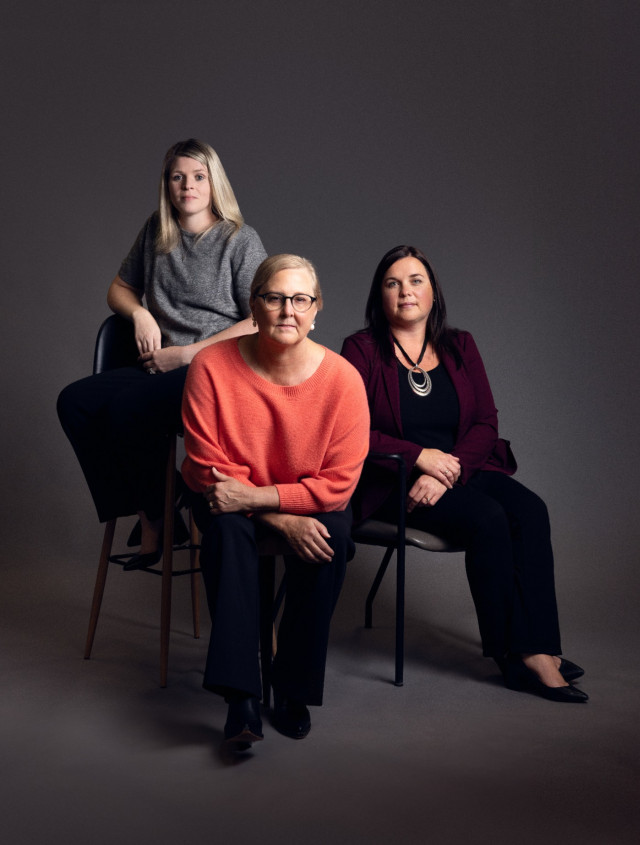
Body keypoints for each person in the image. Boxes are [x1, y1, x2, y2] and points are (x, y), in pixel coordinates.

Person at [341, 245, 588, 703]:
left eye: (416, 280)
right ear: (380, 296)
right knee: (488, 519)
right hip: (393, 482)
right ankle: (512, 655)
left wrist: (445, 471)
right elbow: (353, 432)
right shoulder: (362, 350)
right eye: (393, 283)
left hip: (458, 471)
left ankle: (541, 646)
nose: (406, 291)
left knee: (531, 511)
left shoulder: (460, 345)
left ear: (433, 291)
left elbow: (485, 423)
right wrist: (421, 458)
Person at [182, 254, 369, 748]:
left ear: (317, 309)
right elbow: (206, 466)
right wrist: (281, 518)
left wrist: (267, 501)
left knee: (334, 532)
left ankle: (293, 689)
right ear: (254, 305)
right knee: (226, 530)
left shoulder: (344, 380)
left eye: (300, 299)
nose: (288, 310)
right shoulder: (210, 366)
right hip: (227, 499)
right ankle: (240, 698)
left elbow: (339, 486)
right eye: (274, 297)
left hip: (293, 498)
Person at [57, 139, 267, 570]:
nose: (187, 186)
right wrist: (139, 314)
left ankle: (156, 516)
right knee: (75, 403)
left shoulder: (239, 240)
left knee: (128, 409)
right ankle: (155, 505)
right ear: (167, 185)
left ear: (214, 184)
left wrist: (190, 353)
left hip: (214, 370)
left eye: (197, 177)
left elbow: (260, 319)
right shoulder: (157, 231)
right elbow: (118, 288)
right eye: (177, 177)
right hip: (160, 367)